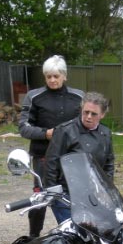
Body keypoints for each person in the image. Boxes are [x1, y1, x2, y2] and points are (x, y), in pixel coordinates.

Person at [18, 55, 84, 237]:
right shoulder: (34, 97)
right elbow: (23, 127)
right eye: (49, 77)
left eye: (56, 76)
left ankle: (74, 234)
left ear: (64, 76)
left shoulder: (79, 97)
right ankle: (33, 236)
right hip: (43, 157)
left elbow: (85, 125)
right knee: (41, 197)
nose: (52, 80)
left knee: (74, 196)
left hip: (72, 157)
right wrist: (46, 133)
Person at [45, 91, 115, 223]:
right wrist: (53, 191)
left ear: (102, 115)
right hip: (67, 193)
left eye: (93, 114)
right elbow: (51, 161)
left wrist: (107, 188)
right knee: (73, 229)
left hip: (94, 193)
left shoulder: (105, 133)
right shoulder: (65, 131)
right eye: (85, 112)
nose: (88, 117)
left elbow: (109, 163)